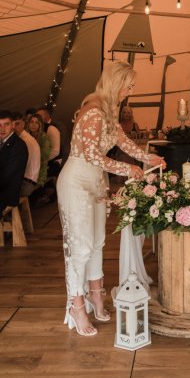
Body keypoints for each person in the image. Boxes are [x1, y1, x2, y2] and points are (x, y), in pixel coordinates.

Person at [57, 61, 165, 337]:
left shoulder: (108, 110)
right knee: (80, 247)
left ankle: (96, 295)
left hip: (95, 182)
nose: (130, 91)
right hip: (77, 182)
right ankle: (77, 305)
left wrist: (146, 157)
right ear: (116, 83)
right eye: (129, 86)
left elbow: (121, 140)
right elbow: (92, 154)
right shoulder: (93, 111)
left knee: (96, 243)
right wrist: (127, 169)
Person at [0, 110, 28, 215]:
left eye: (6, 125)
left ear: (12, 125)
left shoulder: (18, 146)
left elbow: (7, 176)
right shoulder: (2, 141)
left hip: (7, 194)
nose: (2, 129)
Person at [12, 112, 41, 197]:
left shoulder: (25, 141)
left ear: (24, 124)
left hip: (26, 184)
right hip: (25, 180)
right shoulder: (21, 138)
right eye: (12, 124)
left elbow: (20, 167)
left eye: (17, 124)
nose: (13, 127)